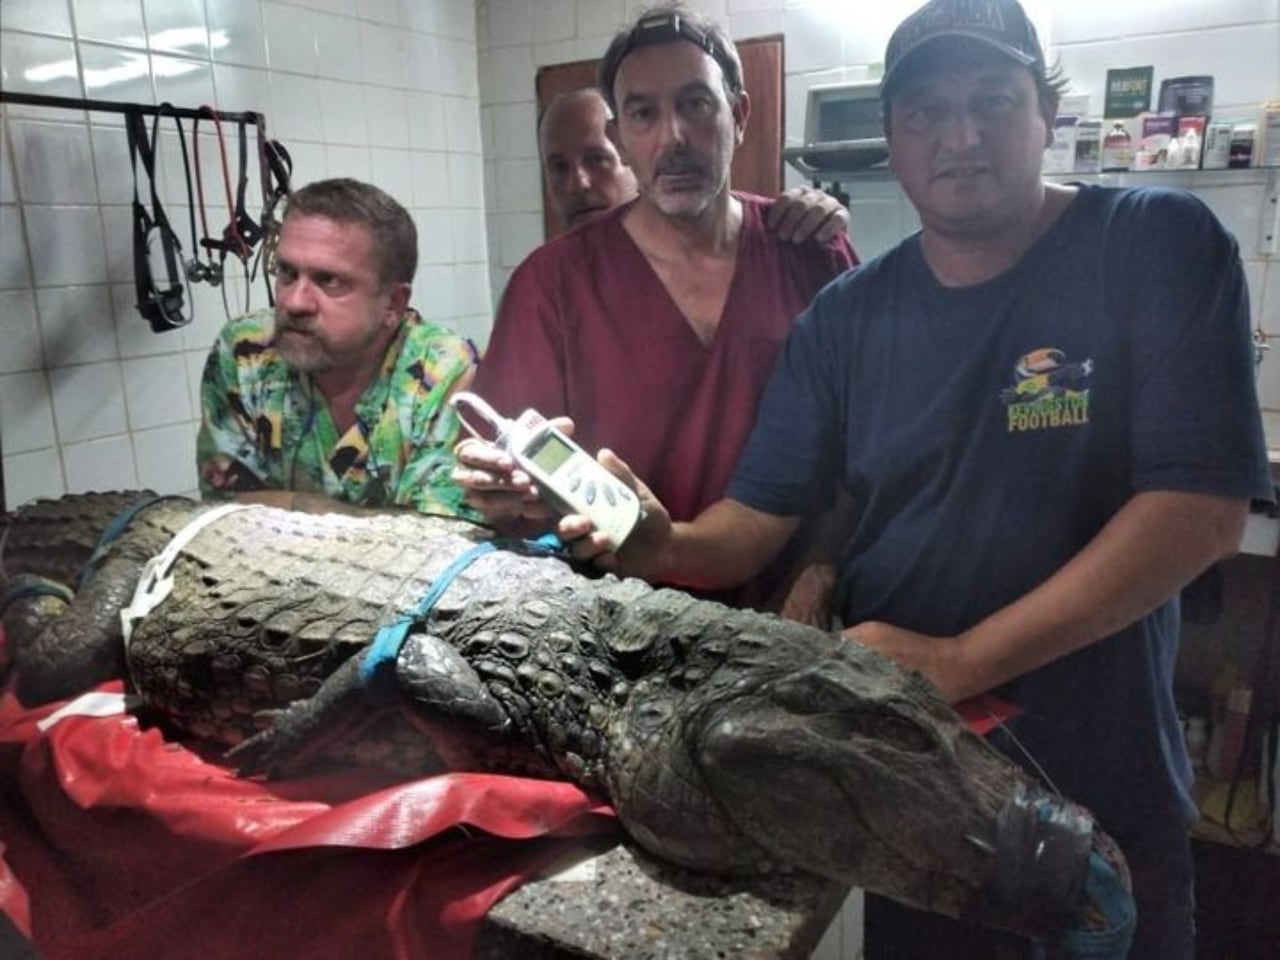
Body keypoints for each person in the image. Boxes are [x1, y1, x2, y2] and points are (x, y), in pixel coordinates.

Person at [557, 1, 1272, 956]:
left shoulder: (1154, 244)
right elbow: (760, 516)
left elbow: (1201, 513)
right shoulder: (847, 318)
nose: (960, 135)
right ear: (893, 135)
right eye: (926, 112)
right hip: (896, 789)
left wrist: (962, 660)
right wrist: (664, 543)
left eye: (992, 100)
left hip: (1099, 781)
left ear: (1046, 110)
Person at [456, 4, 858, 613]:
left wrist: (821, 570)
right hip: (615, 630)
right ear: (620, 138)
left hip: (793, 619)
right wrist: (499, 491)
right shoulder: (551, 285)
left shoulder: (810, 254)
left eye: (696, 103)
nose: (672, 137)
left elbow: (865, 451)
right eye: (643, 112)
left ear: (739, 115)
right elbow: (515, 500)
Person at [197, 177, 479, 519]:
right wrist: (344, 515)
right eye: (287, 272)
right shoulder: (247, 351)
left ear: (393, 303)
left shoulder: (442, 371)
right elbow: (222, 511)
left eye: (328, 280)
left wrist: (291, 506)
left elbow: (435, 537)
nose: (294, 302)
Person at [539, 85, 851, 242]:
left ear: (627, 149)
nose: (577, 183)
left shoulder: (771, 241)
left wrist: (817, 225)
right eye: (558, 167)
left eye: (597, 160)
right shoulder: (542, 290)